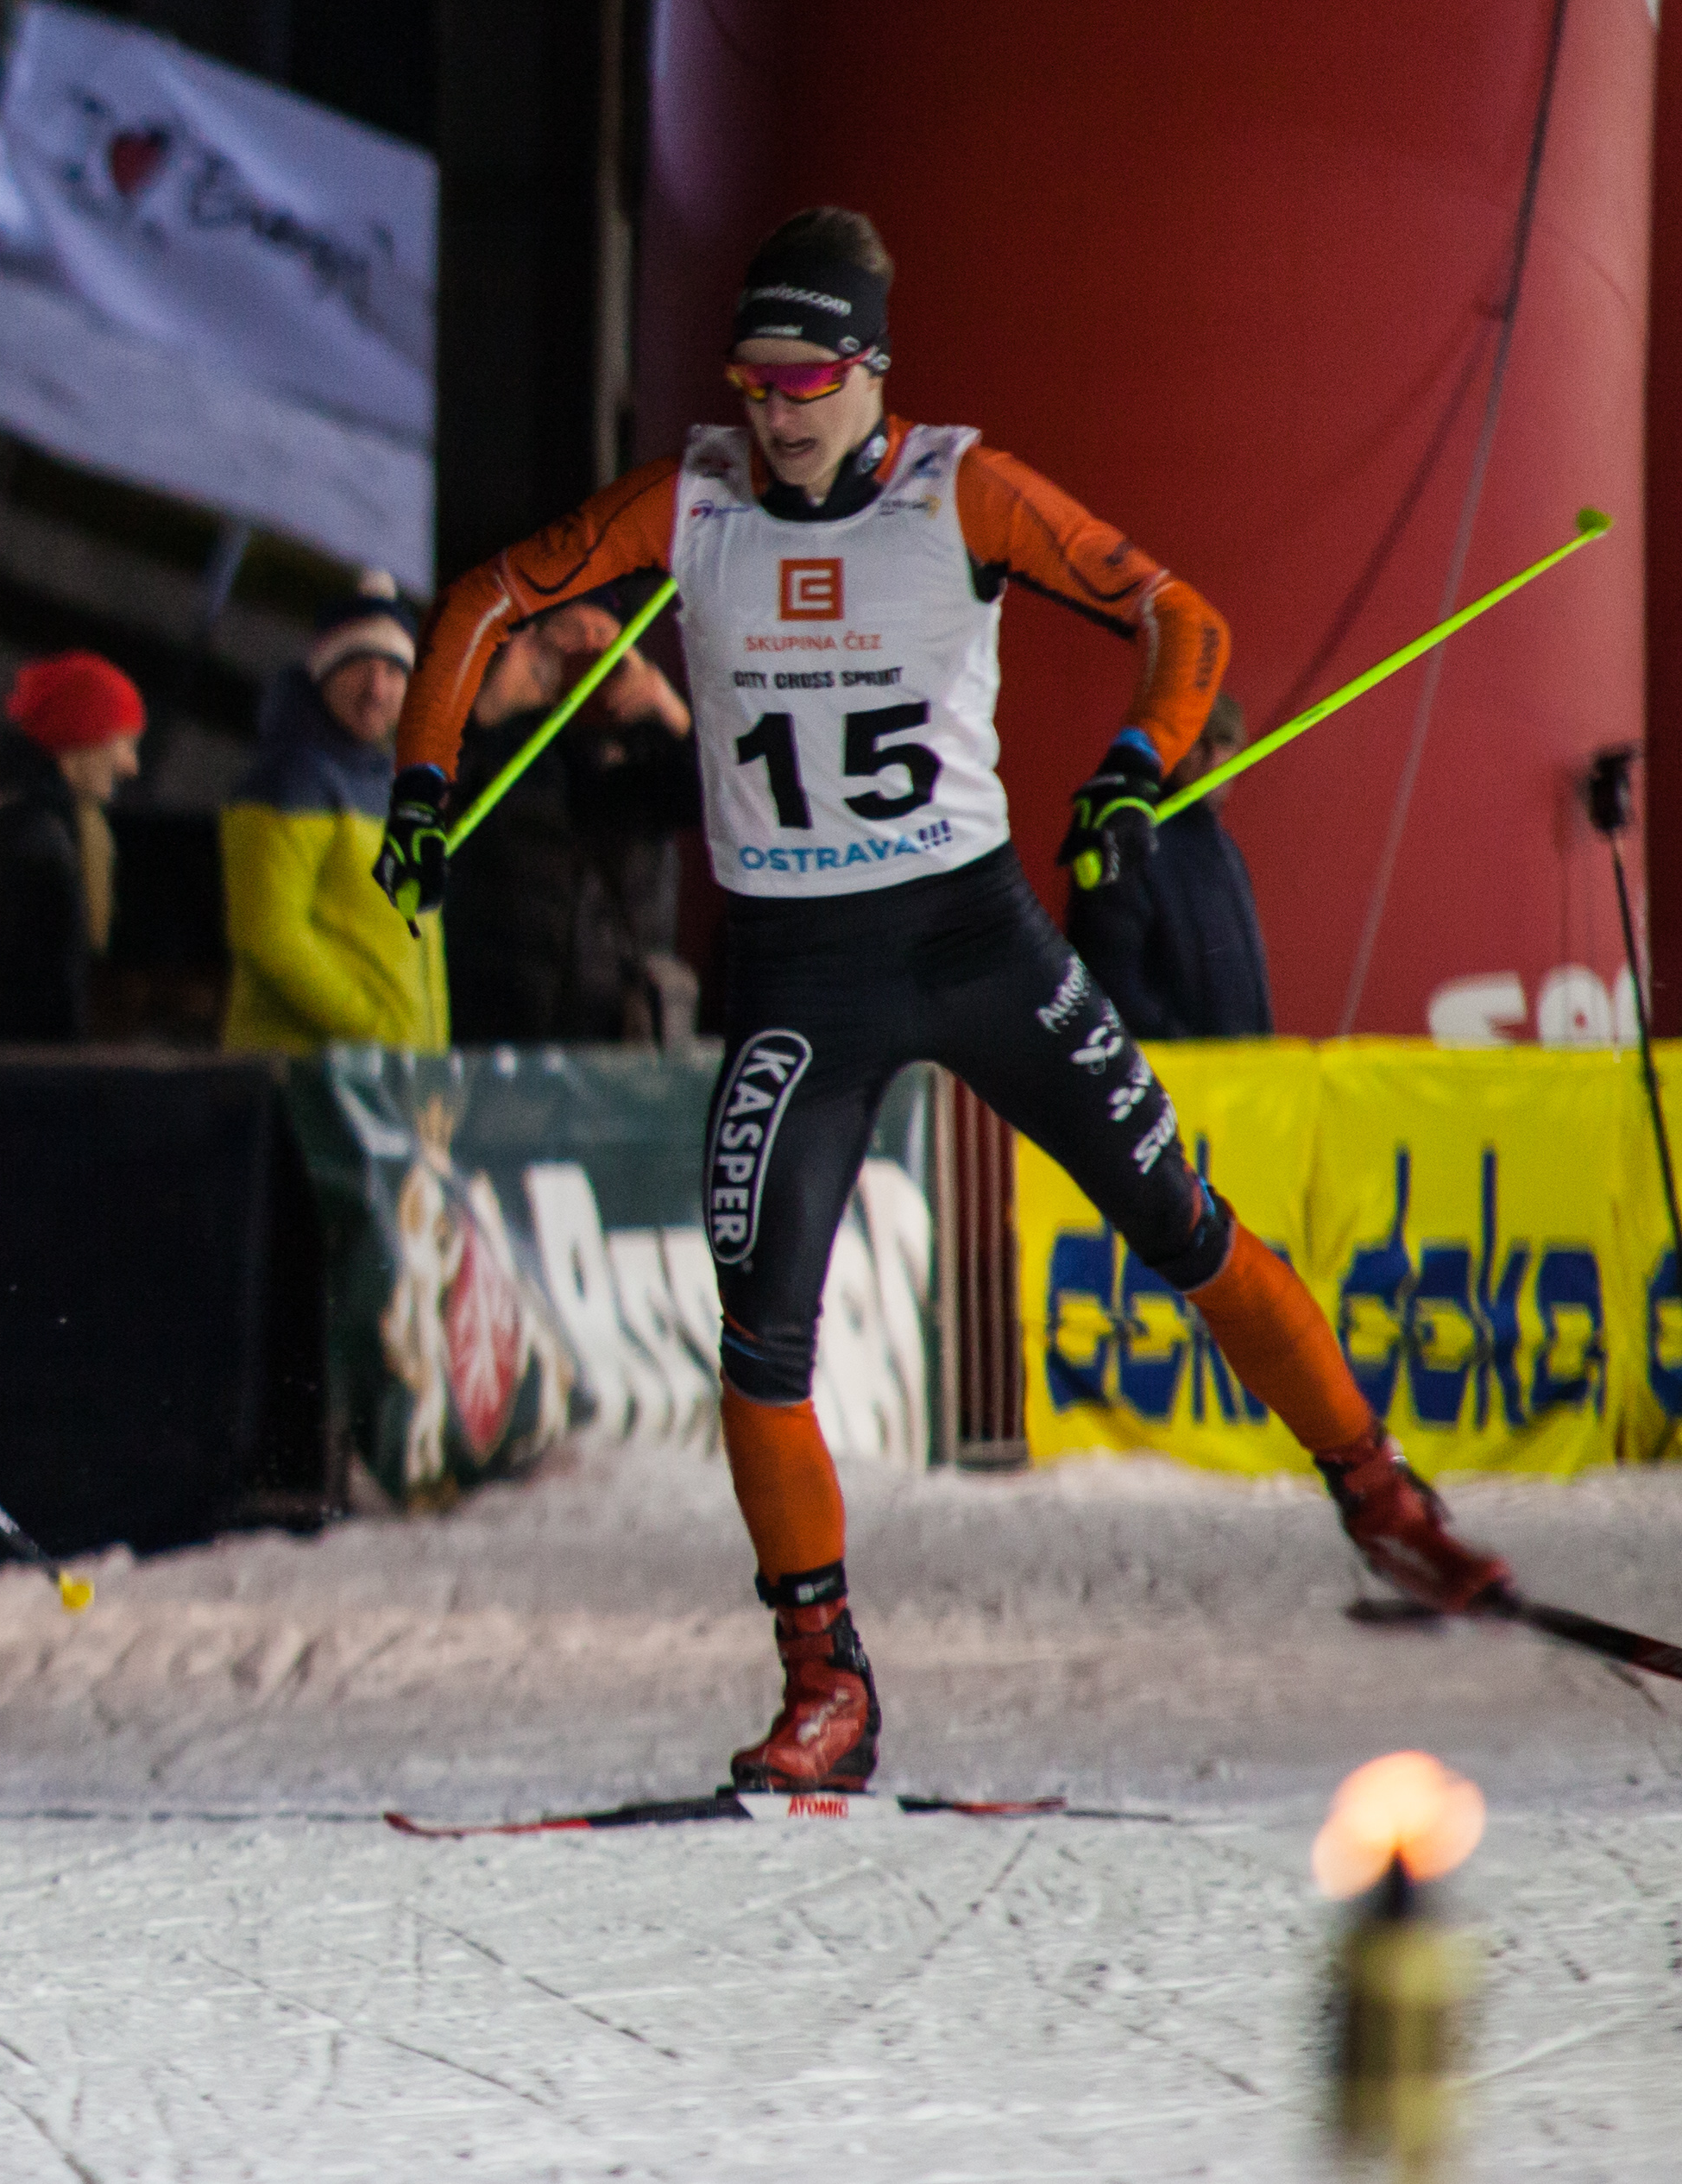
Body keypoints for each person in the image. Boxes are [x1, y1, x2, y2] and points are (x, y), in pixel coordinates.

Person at [380, 209, 1513, 1793]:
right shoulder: (693, 496)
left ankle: (1387, 1500)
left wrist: (1135, 769)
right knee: (759, 1343)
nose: (775, 411)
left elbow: (1180, 616)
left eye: (807, 377)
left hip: (975, 943)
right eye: (754, 377)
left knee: (1181, 1220)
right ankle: (825, 1682)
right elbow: (490, 597)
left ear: (871, 372)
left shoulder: (956, 487)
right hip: (793, 970)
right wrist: (424, 781)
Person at [442, 599, 700, 1043]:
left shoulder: (650, 753)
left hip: (612, 1029)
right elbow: (423, 815)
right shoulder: (497, 742)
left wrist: (674, 718)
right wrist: (486, 710)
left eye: (604, 640)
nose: (589, 652)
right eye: (573, 635)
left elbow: (723, 807)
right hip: (496, 1027)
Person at [218, 576, 448, 1053]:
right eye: (358, 666)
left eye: (393, 671)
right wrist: (378, 1029)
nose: (376, 689)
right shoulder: (290, 780)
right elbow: (268, 936)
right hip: (306, 1084)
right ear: (323, 671)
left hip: (387, 1082)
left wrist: (429, 1058)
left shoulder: (397, 787)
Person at [0, 650, 144, 1044]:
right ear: (82, 736)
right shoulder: (34, 844)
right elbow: (34, 1010)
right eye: (123, 742)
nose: (130, 765)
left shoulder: (2, 814)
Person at [1065, 695, 1275, 1038]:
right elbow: (1111, 980)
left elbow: (1250, 988)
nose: (1207, 756)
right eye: (1196, 740)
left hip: (1241, 1076)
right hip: (1167, 1077)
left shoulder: (1226, 851)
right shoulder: (1127, 839)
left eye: (1223, 741)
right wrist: (1184, 1057)